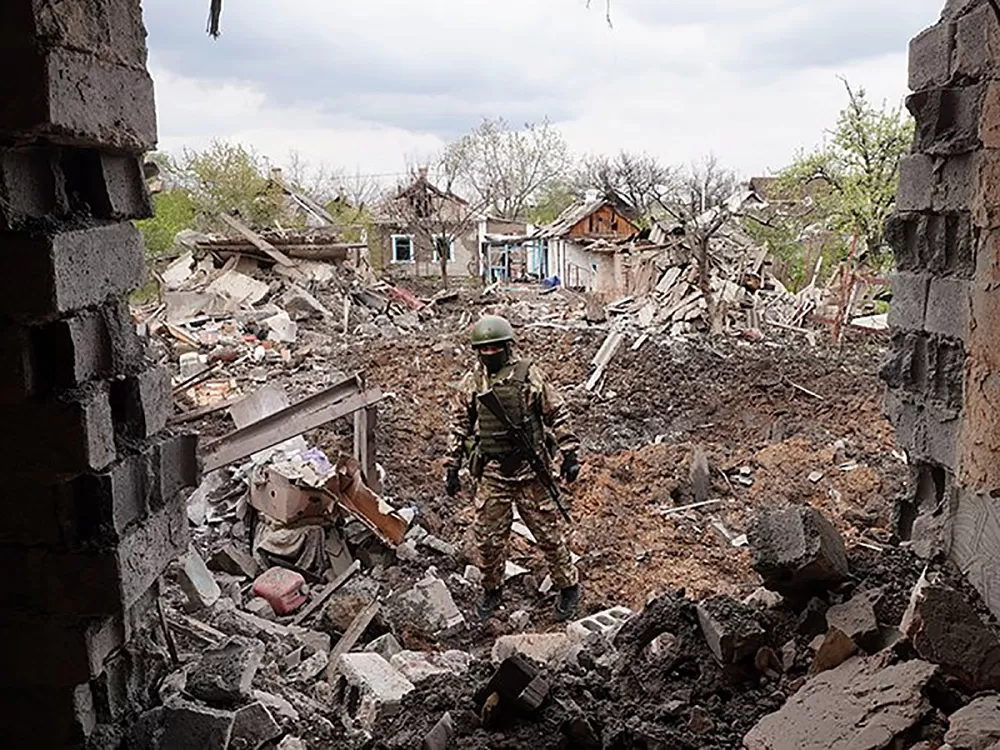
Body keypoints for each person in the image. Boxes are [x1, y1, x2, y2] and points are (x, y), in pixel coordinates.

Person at [444, 314, 582, 621]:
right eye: (484, 349)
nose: (490, 353)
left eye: (496, 347)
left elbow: (557, 412)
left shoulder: (529, 375)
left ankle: (568, 586)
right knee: (488, 539)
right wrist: (452, 467)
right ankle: (492, 590)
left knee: (549, 535)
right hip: (493, 474)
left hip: (531, 472)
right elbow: (458, 425)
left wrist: (569, 453)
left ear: (508, 347)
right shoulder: (472, 383)